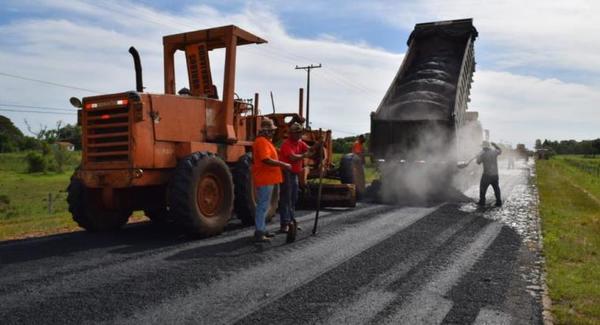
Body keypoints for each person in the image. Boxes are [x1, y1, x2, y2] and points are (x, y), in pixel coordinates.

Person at [252, 118, 291, 242]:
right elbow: (265, 159)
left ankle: (262, 229)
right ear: (266, 131)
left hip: (268, 178)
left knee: (264, 205)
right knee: (262, 205)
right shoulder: (262, 142)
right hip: (265, 178)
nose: (273, 133)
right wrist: (283, 165)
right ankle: (259, 232)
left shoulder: (265, 142)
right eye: (271, 130)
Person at [278, 123, 318, 233]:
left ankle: (291, 221)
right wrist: (304, 155)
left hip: (294, 174)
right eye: (298, 133)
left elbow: (310, 150)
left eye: (300, 133)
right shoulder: (286, 144)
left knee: (293, 198)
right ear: (292, 134)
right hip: (286, 173)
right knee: (286, 198)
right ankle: (285, 224)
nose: (299, 135)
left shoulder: (300, 143)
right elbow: (292, 157)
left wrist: (317, 145)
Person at [476, 141, 502, 207]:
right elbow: (500, 151)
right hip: (495, 174)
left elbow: (478, 162)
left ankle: (482, 202)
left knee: (482, 188)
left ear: (483, 147)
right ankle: (499, 202)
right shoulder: (494, 152)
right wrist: (495, 145)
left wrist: (478, 156)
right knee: (496, 189)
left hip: (486, 175)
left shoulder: (483, 154)